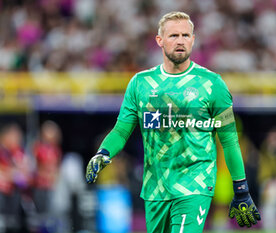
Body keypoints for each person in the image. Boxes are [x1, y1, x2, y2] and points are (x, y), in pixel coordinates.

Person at [86, 11, 260, 232]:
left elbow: (229, 140)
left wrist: (241, 188)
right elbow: (121, 131)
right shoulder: (140, 84)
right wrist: (104, 152)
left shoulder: (213, 84)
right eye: (174, 35)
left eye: (186, 35)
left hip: (194, 184)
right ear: (159, 40)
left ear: (193, 40)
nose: (180, 41)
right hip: (155, 188)